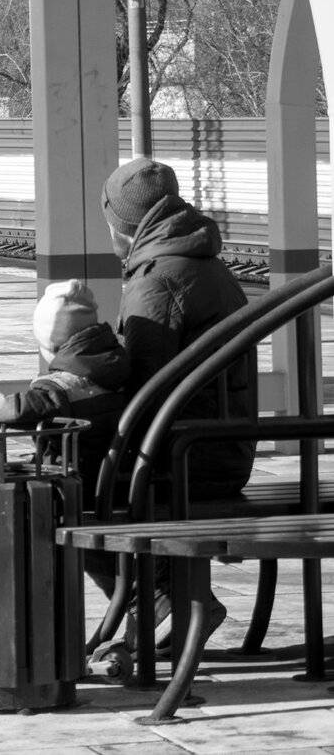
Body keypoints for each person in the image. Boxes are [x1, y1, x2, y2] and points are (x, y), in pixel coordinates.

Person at [101, 155, 257, 649]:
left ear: (122, 224)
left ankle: (166, 600)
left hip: (192, 459)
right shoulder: (201, 261)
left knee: (68, 492)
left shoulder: (157, 280)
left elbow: (143, 391)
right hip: (220, 446)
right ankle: (167, 603)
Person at [0, 278, 129, 506]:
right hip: (112, 479)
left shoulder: (59, 389)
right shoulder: (117, 366)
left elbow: (14, 410)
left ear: (52, 346)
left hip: (73, 488)